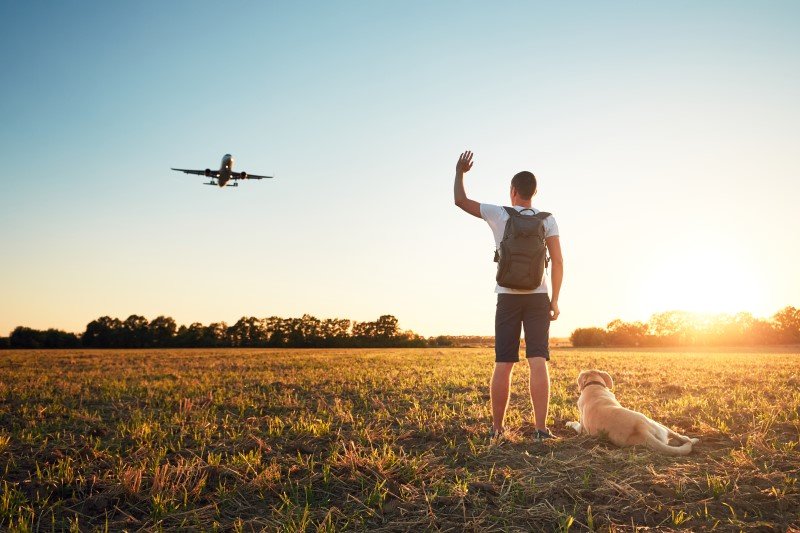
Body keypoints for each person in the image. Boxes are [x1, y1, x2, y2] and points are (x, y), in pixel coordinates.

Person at [453, 150, 563, 440]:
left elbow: (460, 201)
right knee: (537, 359)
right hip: (539, 296)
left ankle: (498, 429)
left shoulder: (499, 214)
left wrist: (460, 173)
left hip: (508, 296)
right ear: (534, 193)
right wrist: (555, 300)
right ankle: (540, 429)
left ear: (513, 191)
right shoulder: (548, 220)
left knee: (504, 362)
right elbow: (559, 261)